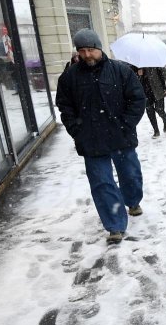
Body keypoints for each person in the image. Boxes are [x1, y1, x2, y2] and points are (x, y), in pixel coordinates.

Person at [56, 28, 147, 245]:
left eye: (90, 50)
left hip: (120, 136)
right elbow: (65, 106)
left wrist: (127, 124)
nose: (87, 55)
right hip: (91, 139)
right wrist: (76, 130)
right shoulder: (69, 76)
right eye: (82, 51)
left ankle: (132, 201)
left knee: (130, 175)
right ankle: (114, 225)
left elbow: (137, 99)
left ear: (99, 48)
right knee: (101, 183)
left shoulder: (120, 71)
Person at [136, 67, 166, 137]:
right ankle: (156, 131)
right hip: (145, 92)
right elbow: (134, 80)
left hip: (158, 90)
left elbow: (164, 74)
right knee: (150, 112)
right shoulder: (137, 66)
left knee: (159, 109)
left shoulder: (155, 62)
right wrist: (138, 75)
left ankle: (165, 120)